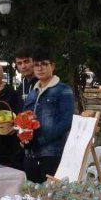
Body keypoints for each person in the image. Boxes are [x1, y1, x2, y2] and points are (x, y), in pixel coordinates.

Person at [21, 48, 74, 183]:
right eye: (37, 65)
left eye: (44, 64)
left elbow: (67, 121)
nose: (40, 68)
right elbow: (24, 118)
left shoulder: (63, 90)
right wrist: (23, 136)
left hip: (52, 154)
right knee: (30, 196)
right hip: (30, 154)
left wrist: (41, 140)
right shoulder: (33, 91)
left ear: (53, 66)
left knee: (48, 197)